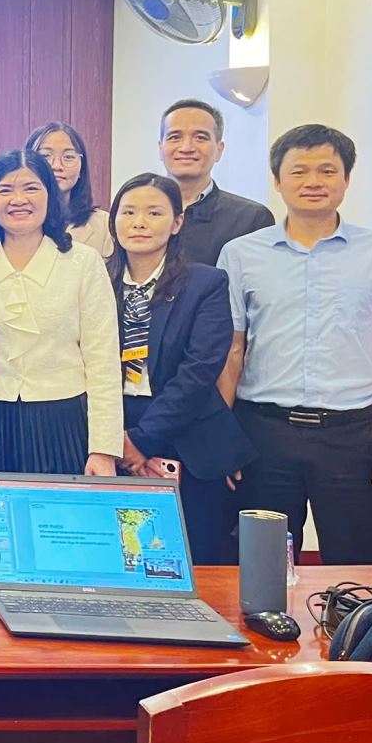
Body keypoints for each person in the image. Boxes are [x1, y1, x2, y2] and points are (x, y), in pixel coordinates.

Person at [219, 125, 372, 565]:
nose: (314, 181)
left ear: (346, 179)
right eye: (299, 171)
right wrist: (223, 437)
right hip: (263, 432)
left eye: (327, 171)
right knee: (262, 568)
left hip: (353, 435)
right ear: (278, 181)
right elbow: (232, 350)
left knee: (354, 568)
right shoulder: (240, 254)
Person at [0, 150, 121, 486]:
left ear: (50, 195)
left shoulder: (82, 262)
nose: (19, 200)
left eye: (31, 188)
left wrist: (104, 449)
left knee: (58, 517)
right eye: (5, 190)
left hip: (63, 420)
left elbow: (103, 360)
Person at [108, 173, 252, 564]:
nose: (139, 222)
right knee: (121, 558)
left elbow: (199, 371)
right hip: (112, 430)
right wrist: (117, 439)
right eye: (128, 212)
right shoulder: (96, 279)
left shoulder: (205, 283)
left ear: (177, 222)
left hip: (188, 434)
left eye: (154, 213)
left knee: (194, 560)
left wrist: (142, 441)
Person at [158, 99, 274, 266]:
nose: (186, 148)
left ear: (219, 150)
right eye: (175, 137)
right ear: (160, 148)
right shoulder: (132, 213)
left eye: (200, 137)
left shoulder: (251, 219)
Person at [27, 121, 113, 258]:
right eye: (45, 156)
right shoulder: (15, 217)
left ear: (81, 170)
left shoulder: (103, 224)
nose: (56, 166)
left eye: (68, 157)